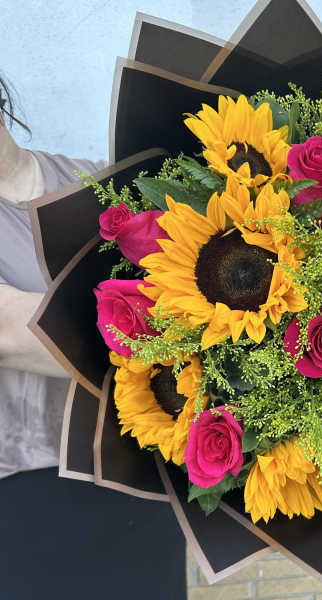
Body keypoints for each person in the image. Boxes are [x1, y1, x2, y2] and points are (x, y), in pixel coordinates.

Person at [0, 75, 186, 599]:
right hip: (25, 495)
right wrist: (179, 329)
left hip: (140, 476)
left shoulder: (97, 182)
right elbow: (13, 333)